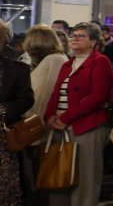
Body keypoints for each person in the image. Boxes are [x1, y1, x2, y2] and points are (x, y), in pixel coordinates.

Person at [45, 22, 113, 206]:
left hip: (85, 126)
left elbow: (98, 96)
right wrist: (49, 116)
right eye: (73, 35)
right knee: (59, 175)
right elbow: (56, 93)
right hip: (59, 126)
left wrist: (65, 118)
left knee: (84, 177)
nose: (74, 39)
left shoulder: (100, 61)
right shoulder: (67, 64)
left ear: (93, 41)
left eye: (81, 36)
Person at [20, 24, 68, 203]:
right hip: (39, 127)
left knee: (42, 177)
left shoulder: (54, 60)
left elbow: (43, 95)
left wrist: (32, 126)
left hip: (43, 129)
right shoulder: (47, 60)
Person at [0, 21, 34, 206]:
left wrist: (3, 110)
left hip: (4, 138)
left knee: (6, 187)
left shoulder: (18, 69)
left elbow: (26, 100)